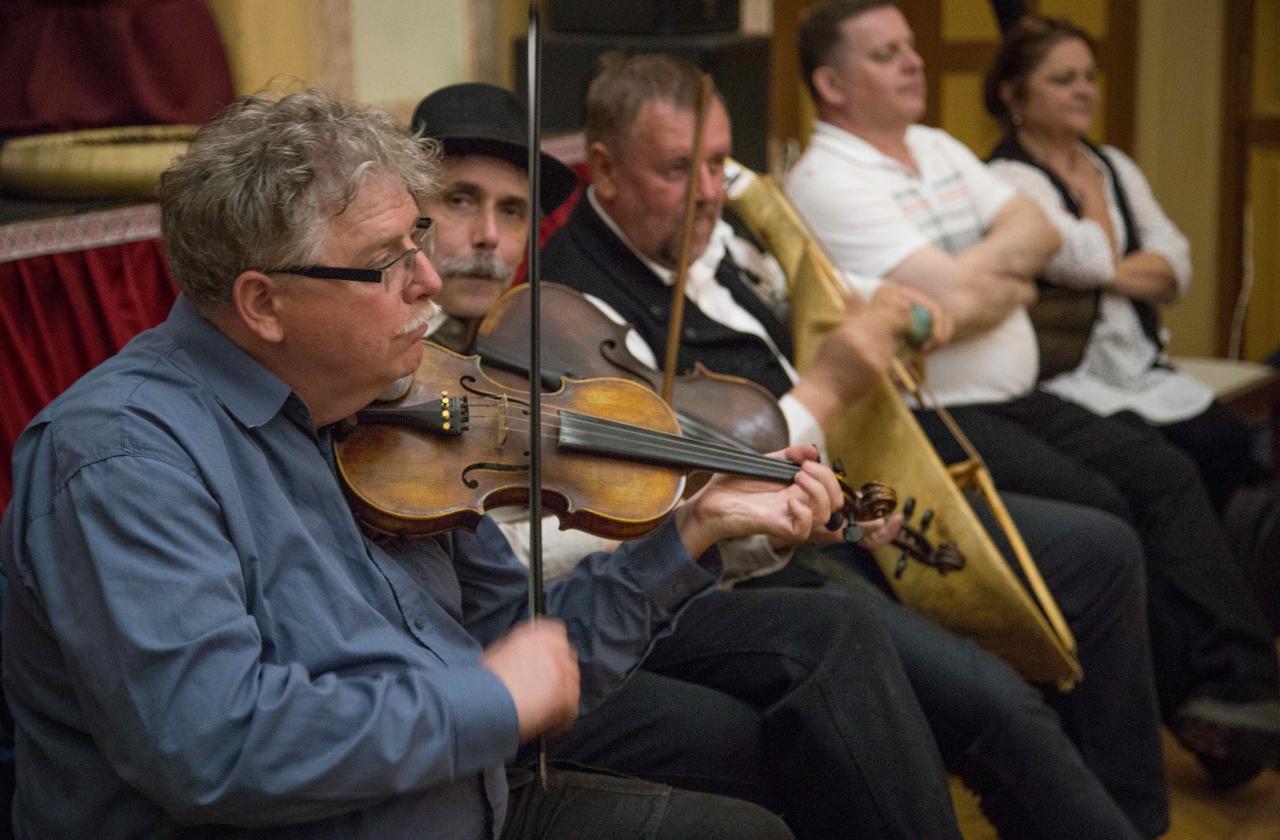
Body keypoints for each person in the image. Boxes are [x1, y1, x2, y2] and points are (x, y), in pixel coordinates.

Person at [0, 87, 881, 840]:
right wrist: (490, 703)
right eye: (387, 263)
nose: (429, 280)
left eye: (419, 240)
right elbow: (215, 742)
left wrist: (691, 531)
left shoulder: (384, 409)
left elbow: (525, 648)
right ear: (263, 303)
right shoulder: (122, 457)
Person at [538, 54, 1172, 837]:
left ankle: (1141, 820)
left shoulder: (716, 233)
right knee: (999, 705)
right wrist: (831, 387)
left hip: (847, 505)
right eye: (677, 169)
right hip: (751, 568)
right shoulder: (573, 312)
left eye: (716, 164)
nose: (708, 191)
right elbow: (691, 488)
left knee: (1103, 551)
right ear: (604, 170)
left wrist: (896, 310)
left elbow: (814, 286)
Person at [410, 81, 967, 840]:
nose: (487, 237)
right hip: (508, 651)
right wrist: (670, 511)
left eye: (512, 212)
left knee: (834, 648)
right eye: (459, 201)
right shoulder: (394, 365)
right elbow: (512, 563)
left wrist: (740, 516)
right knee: (793, 694)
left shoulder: (535, 336)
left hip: (593, 610)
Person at [786, 0, 1280, 788]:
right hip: (930, 419)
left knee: (1166, 472)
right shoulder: (826, 180)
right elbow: (958, 298)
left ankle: (1241, 689)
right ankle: (1168, 729)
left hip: (1021, 396)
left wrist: (973, 281)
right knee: (1104, 508)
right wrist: (998, 279)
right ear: (831, 84)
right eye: (885, 54)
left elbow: (1042, 233)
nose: (914, 62)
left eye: (910, 46)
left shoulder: (937, 145)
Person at [983, 14, 1266, 513]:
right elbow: (1091, 259)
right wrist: (1094, 200)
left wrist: (1111, 270)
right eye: (1063, 79)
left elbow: (1175, 265)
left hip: (1139, 367)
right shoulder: (1006, 180)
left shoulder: (1113, 163)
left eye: (1089, 77)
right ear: (1014, 95)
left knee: (1229, 444)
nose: (1084, 91)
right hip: (1068, 379)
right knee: (1163, 467)